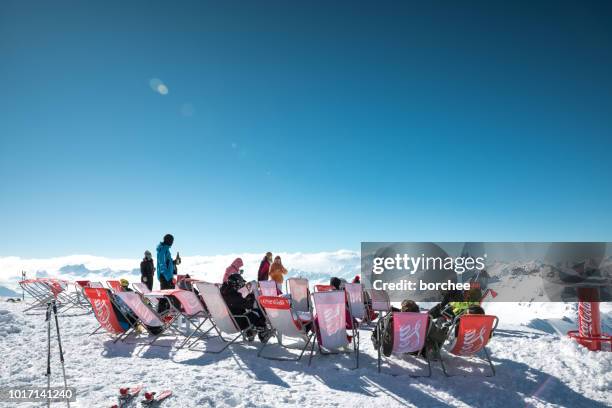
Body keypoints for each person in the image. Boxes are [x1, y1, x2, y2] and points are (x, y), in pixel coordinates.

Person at [220, 273, 271, 342]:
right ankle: (262, 333)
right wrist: (252, 297)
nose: (241, 286)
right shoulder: (233, 295)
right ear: (236, 284)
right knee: (256, 312)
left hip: (225, 321)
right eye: (241, 284)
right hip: (236, 323)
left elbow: (239, 303)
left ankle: (251, 332)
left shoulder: (223, 292)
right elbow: (248, 305)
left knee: (250, 312)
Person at [156, 234, 179, 313]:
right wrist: (167, 277)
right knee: (165, 296)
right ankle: (161, 314)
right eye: (171, 240)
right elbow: (162, 264)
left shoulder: (166, 249)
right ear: (167, 240)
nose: (172, 242)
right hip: (165, 276)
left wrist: (175, 262)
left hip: (167, 276)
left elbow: (168, 263)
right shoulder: (163, 250)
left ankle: (165, 314)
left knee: (168, 296)